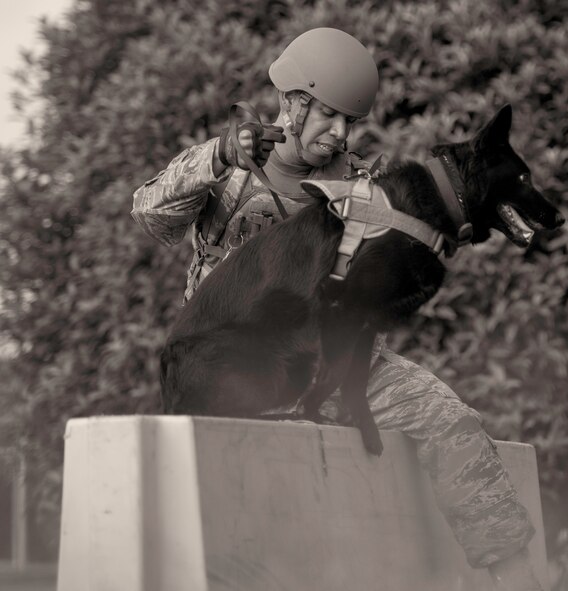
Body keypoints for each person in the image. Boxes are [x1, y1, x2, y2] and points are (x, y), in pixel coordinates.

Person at [131, 27, 544, 590]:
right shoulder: (228, 169)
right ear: (291, 103)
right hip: (244, 360)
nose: (339, 133)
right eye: (327, 115)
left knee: (451, 421)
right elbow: (150, 215)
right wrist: (217, 155)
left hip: (345, 359)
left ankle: (518, 579)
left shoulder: (359, 181)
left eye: (350, 121)